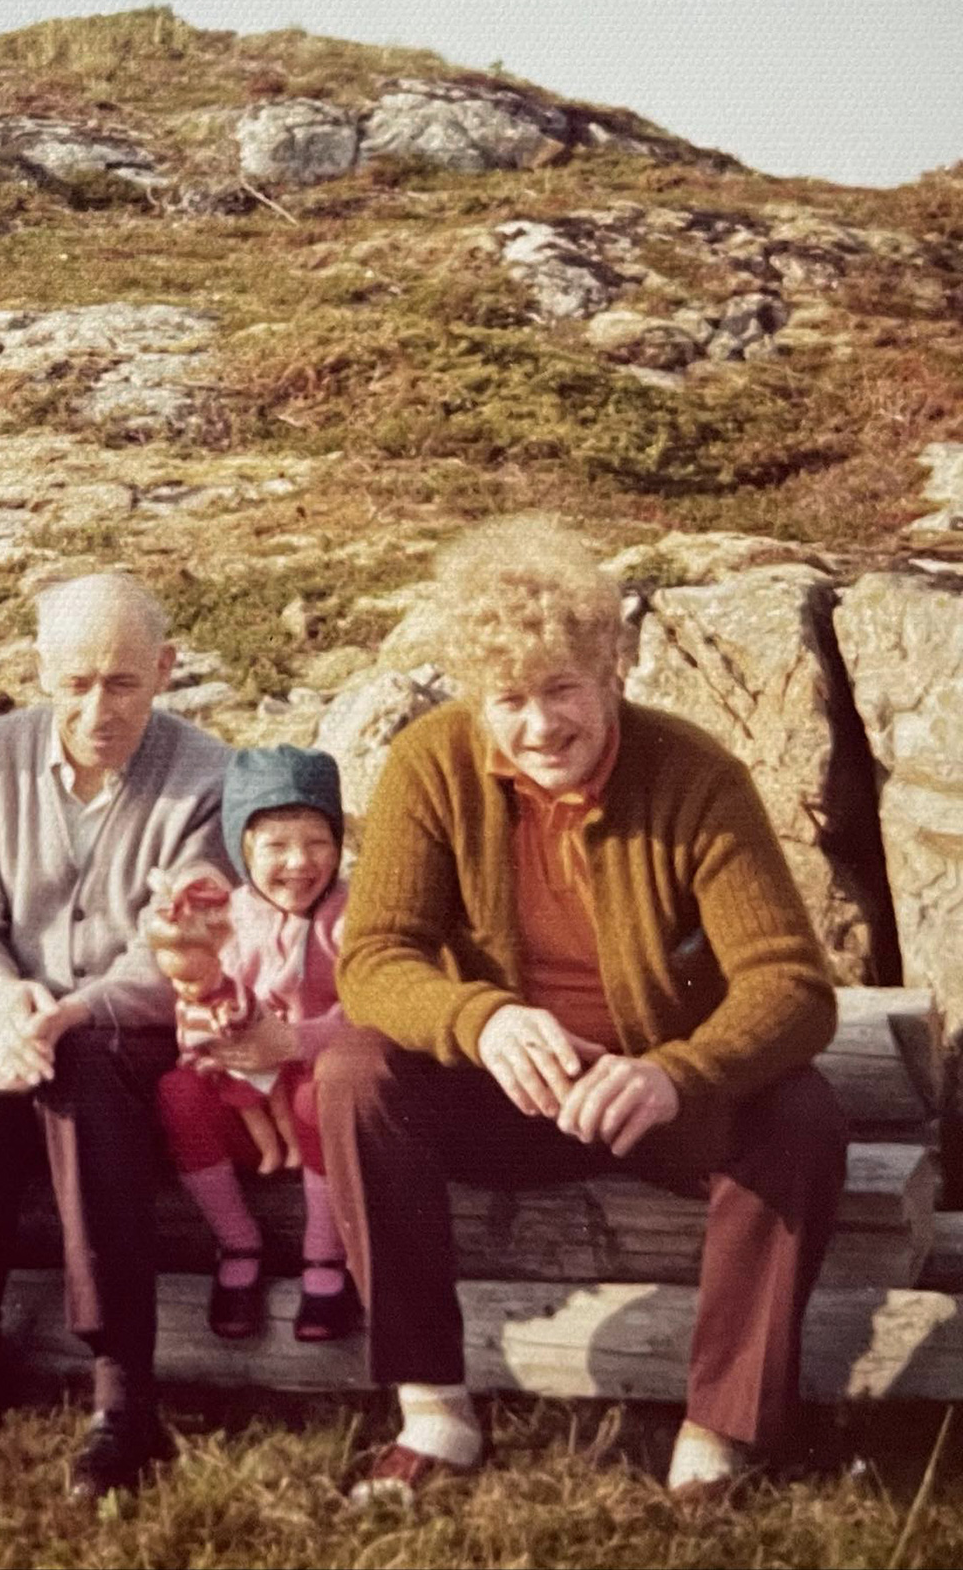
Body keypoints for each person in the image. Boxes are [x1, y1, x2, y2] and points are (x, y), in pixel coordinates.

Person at [318, 515, 846, 1504]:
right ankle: (433, 1411)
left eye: (563, 690)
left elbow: (791, 984)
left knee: (802, 1114)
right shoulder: (431, 766)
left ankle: (717, 1438)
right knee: (355, 1072)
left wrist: (675, 1073)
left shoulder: (697, 779)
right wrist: (479, 1019)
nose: (538, 725)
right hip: (505, 1094)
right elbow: (377, 957)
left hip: (656, 1099)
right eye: (507, 700)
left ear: (615, 672)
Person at [0, 570, 230, 1503]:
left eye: (124, 682)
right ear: (44, 671)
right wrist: (6, 1003)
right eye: (77, 681)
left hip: (133, 1026)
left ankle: (122, 1386)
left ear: (166, 670)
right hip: (12, 1013)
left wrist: (76, 1009)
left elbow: (184, 945)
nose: (98, 707)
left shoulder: (209, 775)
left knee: (84, 1077)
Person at [149, 744, 360, 1345]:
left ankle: (325, 1256)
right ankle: (238, 1242)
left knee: (321, 1092)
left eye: (318, 841)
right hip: (244, 1095)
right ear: (242, 849)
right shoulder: (228, 917)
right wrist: (207, 1043)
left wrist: (296, 1041)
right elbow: (191, 994)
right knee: (177, 1093)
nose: (299, 862)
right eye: (275, 845)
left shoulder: (351, 915)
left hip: (316, 1100)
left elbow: (375, 1013)